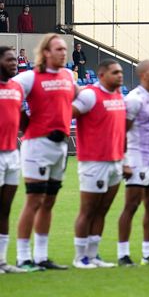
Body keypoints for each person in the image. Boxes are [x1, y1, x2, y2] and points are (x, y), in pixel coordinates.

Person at [13, 34, 76, 271]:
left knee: (49, 202)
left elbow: (76, 98)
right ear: (46, 52)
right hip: (37, 145)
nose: (64, 52)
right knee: (34, 200)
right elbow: (11, 95)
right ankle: (22, 258)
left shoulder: (69, 75)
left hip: (59, 147)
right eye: (58, 49)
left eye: (65, 49)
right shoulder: (29, 77)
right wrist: (25, 123)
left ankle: (41, 257)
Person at [71, 59, 127, 269]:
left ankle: (93, 255)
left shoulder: (118, 95)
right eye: (115, 72)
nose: (120, 76)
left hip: (115, 161)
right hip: (93, 162)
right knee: (88, 210)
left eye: (120, 72)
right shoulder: (89, 95)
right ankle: (80, 257)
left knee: (103, 209)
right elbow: (69, 114)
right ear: (102, 75)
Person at [116, 60, 149, 267]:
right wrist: (125, 161)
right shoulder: (134, 99)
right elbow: (122, 132)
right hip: (137, 158)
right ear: (143, 74)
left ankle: (148, 253)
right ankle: (123, 254)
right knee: (131, 206)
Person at [0, 47, 26, 273]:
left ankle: (2, 262)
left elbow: (23, 119)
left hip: (11, 154)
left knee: (5, 209)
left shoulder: (17, 88)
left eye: (15, 60)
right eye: (9, 60)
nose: (14, 63)